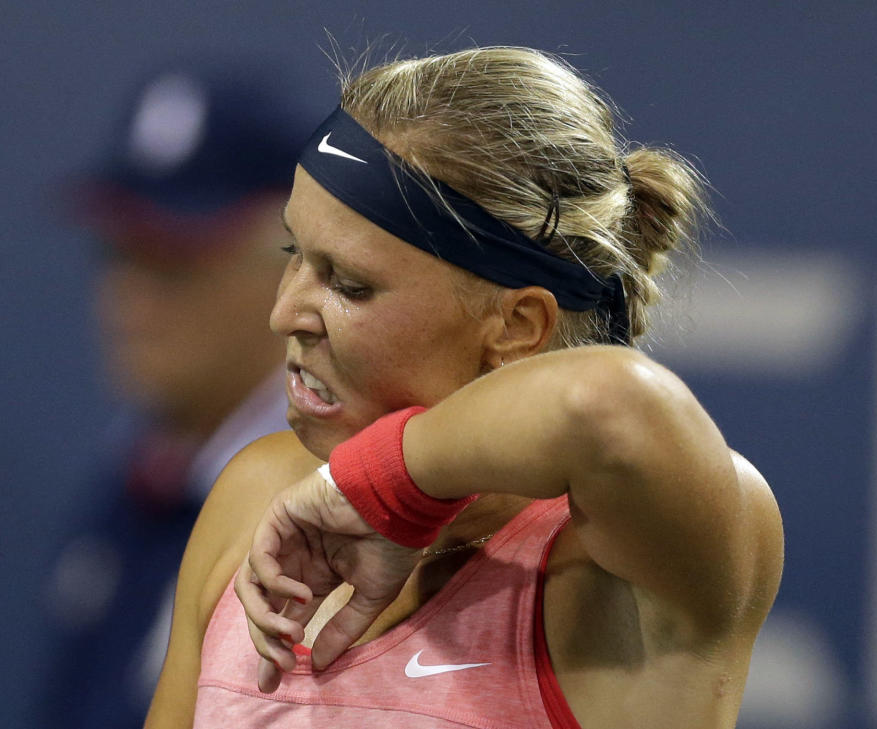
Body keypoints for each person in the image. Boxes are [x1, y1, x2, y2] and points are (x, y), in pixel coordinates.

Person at [146, 46, 784, 729]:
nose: (285, 314)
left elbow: (609, 403)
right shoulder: (257, 495)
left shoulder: (620, 573)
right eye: (293, 254)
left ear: (516, 326)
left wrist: (385, 484)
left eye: (348, 284)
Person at [35, 62, 304, 728]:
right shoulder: (132, 481)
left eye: (175, 260)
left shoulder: (317, 517)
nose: (131, 299)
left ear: (291, 267)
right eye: (118, 254)